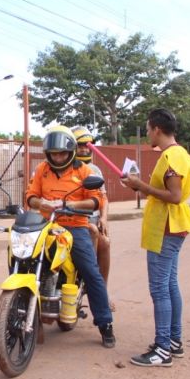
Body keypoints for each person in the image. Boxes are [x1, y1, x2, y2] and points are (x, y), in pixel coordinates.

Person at [121, 109, 190, 367]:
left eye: (148, 129)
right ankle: (173, 342)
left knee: (159, 289)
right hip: (175, 225)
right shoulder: (183, 155)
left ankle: (163, 349)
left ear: (156, 129)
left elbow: (174, 195)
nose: (147, 134)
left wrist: (141, 186)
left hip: (166, 227)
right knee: (169, 285)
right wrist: (138, 185)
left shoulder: (170, 157)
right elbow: (168, 192)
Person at [25, 125, 115, 348]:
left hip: (75, 226)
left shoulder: (84, 171)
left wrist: (69, 204)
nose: (58, 157)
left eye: (62, 153)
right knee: (26, 260)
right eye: (54, 153)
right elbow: (30, 196)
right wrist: (41, 203)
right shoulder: (42, 169)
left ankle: (105, 324)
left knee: (91, 272)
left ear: (71, 151)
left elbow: (96, 200)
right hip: (46, 225)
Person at [71, 126, 114, 311]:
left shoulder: (94, 169)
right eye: (80, 146)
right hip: (70, 219)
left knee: (104, 241)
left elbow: (103, 198)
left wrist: (104, 218)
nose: (85, 149)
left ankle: (100, 291)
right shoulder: (63, 168)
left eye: (88, 145)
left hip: (92, 219)